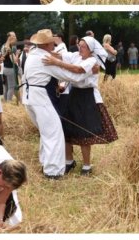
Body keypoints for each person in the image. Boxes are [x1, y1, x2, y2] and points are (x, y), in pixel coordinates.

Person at [21, 29, 95, 178]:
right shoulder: (45, 59)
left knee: (45, 131)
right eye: (52, 43)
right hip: (41, 98)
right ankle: (53, 171)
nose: (54, 45)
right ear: (47, 44)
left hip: (29, 98)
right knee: (54, 133)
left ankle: (45, 162)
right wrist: (88, 70)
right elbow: (71, 76)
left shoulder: (32, 55)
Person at [45, 36, 118, 176]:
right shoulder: (75, 55)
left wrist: (57, 63)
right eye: (79, 45)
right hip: (73, 95)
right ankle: (69, 161)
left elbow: (78, 70)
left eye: (83, 46)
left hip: (87, 97)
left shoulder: (92, 61)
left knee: (84, 132)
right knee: (66, 130)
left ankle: (86, 165)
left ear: (90, 49)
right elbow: (59, 54)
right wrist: (43, 50)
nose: (80, 48)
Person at [0, 32, 19, 102]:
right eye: (14, 36)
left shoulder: (3, 46)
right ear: (9, 37)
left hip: (4, 69)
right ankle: (8, 102)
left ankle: (5, 102)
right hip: (10, 69)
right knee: (11, 87)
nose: (15, 37)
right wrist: (17, 54)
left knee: (6, 87)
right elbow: (14, 61)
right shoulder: (10, 47)